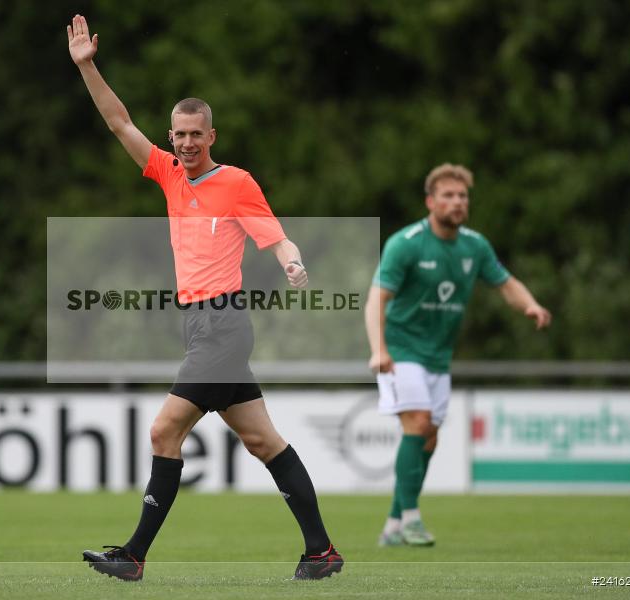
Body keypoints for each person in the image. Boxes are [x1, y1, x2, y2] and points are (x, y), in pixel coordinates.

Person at [67, 14, 342, 581]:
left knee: (164, 430)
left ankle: (134, 555)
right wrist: (88, 67)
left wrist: (293, 263)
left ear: (212, 136)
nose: (187, 143)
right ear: (171, 137)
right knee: (264, 440)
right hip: (200, 328)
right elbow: (119, 123)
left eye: (197, 134)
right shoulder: (169, 174)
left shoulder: (237, 183)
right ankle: (321, 552)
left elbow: (276, 235)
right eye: (179, 134)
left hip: (222, 326)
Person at [365, 163, 552, 547]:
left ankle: (394, 524)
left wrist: (530, 305)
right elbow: (375, 300)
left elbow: (506, 283)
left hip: (438, 357)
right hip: (401, 351)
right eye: (448, 195)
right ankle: (414, 519)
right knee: (417, 424)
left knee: (429, 438)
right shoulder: (407, 243)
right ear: (430, 201)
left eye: (462, 196)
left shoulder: (474, 245)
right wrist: (379, 349)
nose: (457, 202)